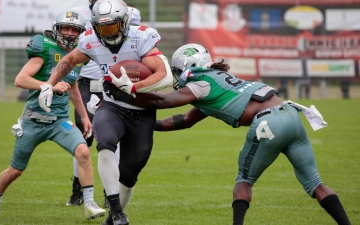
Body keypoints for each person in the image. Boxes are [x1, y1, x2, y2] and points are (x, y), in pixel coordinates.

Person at [103, 43, 352, 225]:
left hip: (269, 123)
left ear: (188, 67)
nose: (178, 77)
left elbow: (163, 101)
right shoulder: (220, 79)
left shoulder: (201, 82)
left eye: (178, 71)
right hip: (290, 114)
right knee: (314, 183)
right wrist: (147, 126)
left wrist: (129, 92)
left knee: (243, 180)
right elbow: (186, 120)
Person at [37, 0, 173, 224]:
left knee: (130, 174)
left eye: (112, 27)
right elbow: (69, 60)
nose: (107, 33)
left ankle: (113, 219)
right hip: (112, 105)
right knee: (106, 143)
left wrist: (136, 87)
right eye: (102, 28)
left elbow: (165, 74)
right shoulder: (90, 40)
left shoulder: (141, 37)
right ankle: (118, 211)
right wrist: (48, 84)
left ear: (125, 22)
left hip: (142, 109)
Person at [0, 10, 106, 221]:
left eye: (73, 29)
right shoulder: (45, 50)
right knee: (15, 170)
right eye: (65, 28)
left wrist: (84, 117)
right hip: (33, 121)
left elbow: (74, 88)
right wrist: (48, 85)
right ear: (57, 30)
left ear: (80, 33)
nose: (68, 33)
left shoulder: (78, 56)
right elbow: (20, 79)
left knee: (83, 153)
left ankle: (89, 203)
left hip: (59, 122)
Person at [67, 0, 142, 208]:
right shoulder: (77, 12)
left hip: (114, 82)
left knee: (111, 139)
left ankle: (111, 192)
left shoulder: (129, 13)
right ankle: (78, 188)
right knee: (83, 137)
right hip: (85, 82)